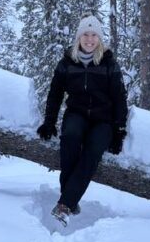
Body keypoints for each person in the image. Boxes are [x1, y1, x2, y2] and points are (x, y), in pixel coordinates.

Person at [36, 14, 128, 225]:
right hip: (77, 113)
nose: (89, 39)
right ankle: (70, 199)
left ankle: (65, 204)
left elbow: (119, 97)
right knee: (69, 137)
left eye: (94, 35)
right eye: (85, 34)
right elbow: (55, 93)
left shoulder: (108, 63)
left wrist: (119, 130)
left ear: (99, 38)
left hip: (103, 119)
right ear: (78, 38)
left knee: (93, 150)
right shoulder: (67, 62)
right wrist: (49, 121)